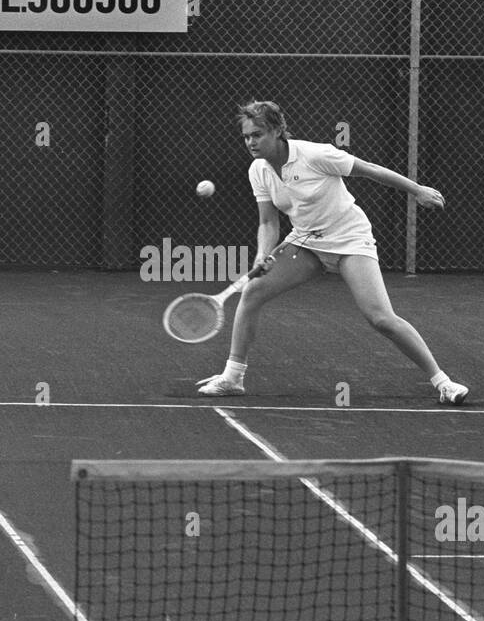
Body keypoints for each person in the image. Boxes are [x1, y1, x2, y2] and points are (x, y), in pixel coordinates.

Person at [196, 100, 470, 404]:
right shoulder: (258, 170)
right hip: (306, 242)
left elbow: (371, 170)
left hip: (349, 239)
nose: (251, 142)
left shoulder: (315, 154)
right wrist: (263, 254)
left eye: (257, 134)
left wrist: (416, 190)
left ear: (276, 131)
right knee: (253, 292)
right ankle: (233, 378)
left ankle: (443, 382)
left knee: (380, 318)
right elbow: (267, 221)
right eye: (246, 136)